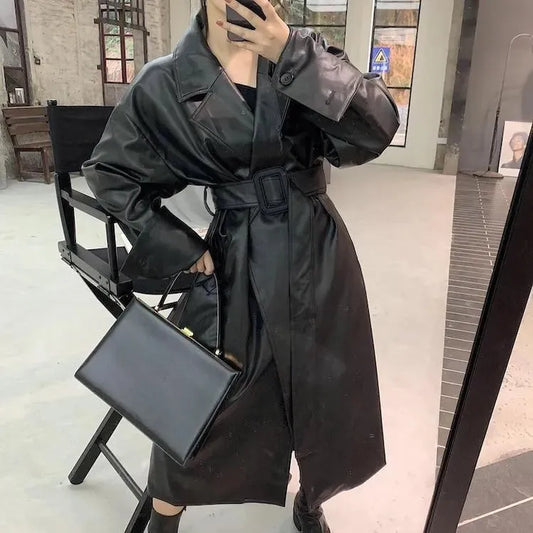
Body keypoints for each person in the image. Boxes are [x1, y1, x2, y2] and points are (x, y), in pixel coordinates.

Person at [81, 0, 400, 531]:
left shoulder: (303, 54)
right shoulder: (166, 81)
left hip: (317, 248)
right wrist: (179, 246)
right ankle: (167, 509)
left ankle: (312, 498)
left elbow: (378, 127)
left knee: (324, 386)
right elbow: (110, 172)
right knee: (209, 391)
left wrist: (293, 55)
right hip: (237, 253)